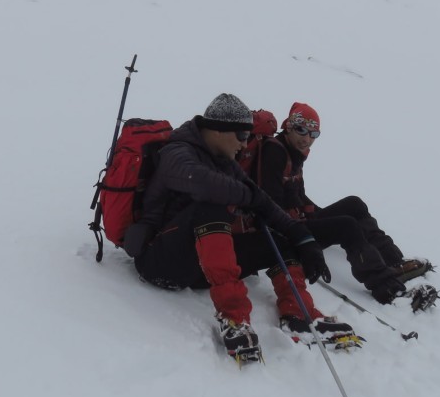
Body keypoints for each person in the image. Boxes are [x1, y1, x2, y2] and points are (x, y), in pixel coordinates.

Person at [124, 93, 357, 357]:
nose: (245, 144)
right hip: (160, 262)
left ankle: (299, 313)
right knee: (210, 206)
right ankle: (234, 318)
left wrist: (301, 237)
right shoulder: (177, 153)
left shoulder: (224, 161)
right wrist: (249, 197)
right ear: (218, 130)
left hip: (199, 267)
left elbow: (263, 201)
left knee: (281, 236)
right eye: (242, 136)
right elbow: (204, 183)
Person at [253, 102, 434, 305]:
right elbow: (271, 204)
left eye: (314, 134)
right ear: (289, 127)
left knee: (354, 204)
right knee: (347, 226)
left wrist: (321, 217)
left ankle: (394, 261)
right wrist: (314, 228)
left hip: (295, 222)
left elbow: (298, 196)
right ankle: (385, 287)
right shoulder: (274, 152)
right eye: (301, 130)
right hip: (284, 232)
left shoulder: (293, 153)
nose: (307, 139)